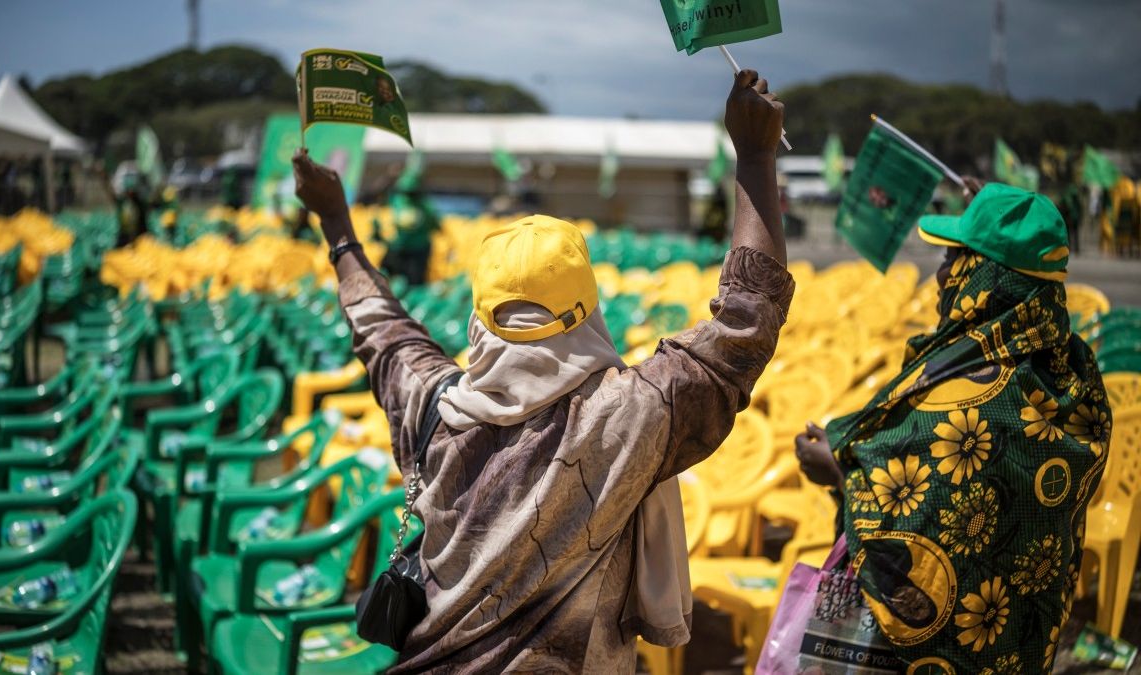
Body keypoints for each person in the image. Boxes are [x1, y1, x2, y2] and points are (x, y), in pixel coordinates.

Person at [292, 68, 792, 673]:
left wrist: (337, 226)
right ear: (587, 311)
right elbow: (746, 319)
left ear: (479, 319)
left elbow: (383, 332)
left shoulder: (435, 405)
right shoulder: (629, 417)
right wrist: (756, 156)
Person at [795, 183, 1110, 672]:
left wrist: (838, 474)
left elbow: (922, 522)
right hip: (1024, 636)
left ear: (980, 274)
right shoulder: (1072, 372)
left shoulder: (974, 396)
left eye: (951, 259)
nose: (940, 276)